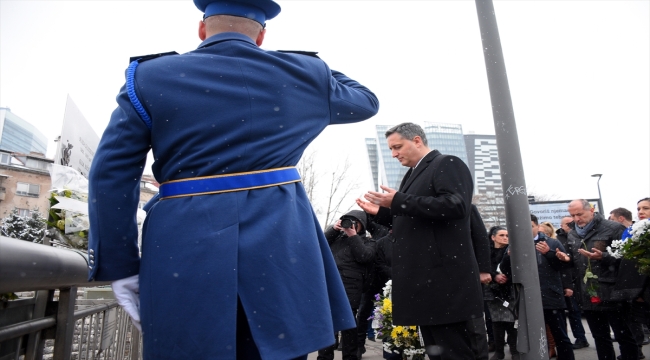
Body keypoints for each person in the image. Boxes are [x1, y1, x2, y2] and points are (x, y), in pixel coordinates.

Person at [86, 0, 380, 358]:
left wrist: (119, 265)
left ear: (201, 28)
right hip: (282, 247)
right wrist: (313, 67)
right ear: (262, 36)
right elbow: (366, 101)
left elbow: (112, 174)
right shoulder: (303, 74)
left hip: (182, 245)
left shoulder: (150, 75)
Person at [356, 122, 489, 360]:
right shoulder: (413, 173)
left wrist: (398, 201)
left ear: (417, 140)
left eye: (398, 147)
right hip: (427, 285)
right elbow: (417, 220)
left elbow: (456, 205)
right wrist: (383, 213)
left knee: (456, 354)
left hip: (444, 283)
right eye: (391, 149)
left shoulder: (446, 163)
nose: (394, 154)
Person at [556, 199, 638, 360]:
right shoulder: (572, 233)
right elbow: (576, 259)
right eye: (573, 215)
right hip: (588, 293)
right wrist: (566, 259)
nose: (577, 219)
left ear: (591, 210)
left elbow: (628, 258)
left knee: (624, 336)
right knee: (600, 337)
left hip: (613, 292)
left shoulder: (613, 228)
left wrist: (604, 257)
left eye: (580, 214)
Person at [318, 210, 376, 360]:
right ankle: (324, 357)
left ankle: (350, 356)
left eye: (353, 222)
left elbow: (364, 256)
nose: (349, 225)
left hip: (351, 287)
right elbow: (319, 244)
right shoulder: (336, 239)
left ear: (361, 225)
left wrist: (353, 236)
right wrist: (334, 229)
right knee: (328, 325)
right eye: (346, 221)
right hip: (331, 285)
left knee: (348, 325)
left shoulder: (369, 241)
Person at [555, 216, 590, 350]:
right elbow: (565, 265)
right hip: (568, 280)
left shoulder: (579, 236)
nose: (570, 225)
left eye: (572, 223)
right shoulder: (559, 240)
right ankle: (580, 338)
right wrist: (568, 284)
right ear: (561, 225)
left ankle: (581, 337)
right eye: (567, 224)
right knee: (573, 311)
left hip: (582, 277)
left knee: (580, 311)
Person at [483, 226, 518, 360]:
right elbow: (483, 266)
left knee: (511, 320)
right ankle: (499, 351)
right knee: (496, 321)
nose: (505, 238)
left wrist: (508, 260)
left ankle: (514, 351)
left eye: (507, 236)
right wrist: (495, 275)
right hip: (492, 290)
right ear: (493, 237)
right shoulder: (486, 251)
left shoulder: (510, 251)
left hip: (509, 290)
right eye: (502, 235)